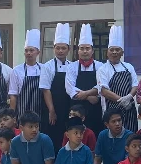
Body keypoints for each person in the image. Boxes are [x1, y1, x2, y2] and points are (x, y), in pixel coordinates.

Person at [97, 25, 139, 132]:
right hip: (112, 109)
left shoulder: (129, 66)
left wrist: (129, 97)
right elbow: (104, 90)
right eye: (112, 50)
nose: (114, 52)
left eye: (117, 50)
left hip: (129, 108)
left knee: (130, 135)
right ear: (107, 52)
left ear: (122, 53)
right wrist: (121, 100)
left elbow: (135, 85)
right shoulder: (102, 69)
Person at [65, 24, 104, 135]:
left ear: (92, 51)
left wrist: (87, 93)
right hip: (76, 109)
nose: (85, 51)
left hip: (95, 108)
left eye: (87, 48)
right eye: (82, 48)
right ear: (78, 51)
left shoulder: (100, 66)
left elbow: (101, 85)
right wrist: (88, 96)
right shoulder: (71, 67)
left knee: (94, 134)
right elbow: (69, 87)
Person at [40, 23, 72, 153]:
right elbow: (45, 89)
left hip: (68, 107)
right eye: (58, 48)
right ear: (54, 49)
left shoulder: (72, 66)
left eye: (63, 48)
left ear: (68, 50)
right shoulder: (47, 66)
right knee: (53, 138)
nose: (60, 51)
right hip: (52, 108)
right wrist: (52, 110)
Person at [9, 29, 43, 120]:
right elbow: (13, 95)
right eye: (26, 50)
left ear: (38, 52)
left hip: (41, 112)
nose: (28, 53)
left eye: (31, 50)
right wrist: (12, 117)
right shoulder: (16, 70)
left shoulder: (44, 69)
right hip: (22, 113)